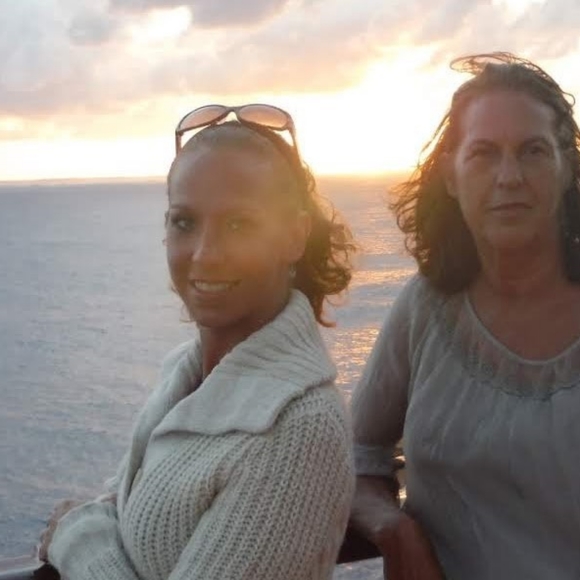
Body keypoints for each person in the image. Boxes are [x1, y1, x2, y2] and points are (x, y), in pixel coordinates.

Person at [38, 104, 357, 580]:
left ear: (294, 236)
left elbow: (99, 526)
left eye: (239, 224)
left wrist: (79, 539)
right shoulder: (186, 372)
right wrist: (97, 522)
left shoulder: (298, 430)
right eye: (184, 222)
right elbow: (123, 506)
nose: (206, 255)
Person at [349, 52, 580, 580]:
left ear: (566, 167)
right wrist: (393, 528)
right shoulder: (426, 308)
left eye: (532, 151)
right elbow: (359, 450)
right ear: (451, 176)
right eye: (483, 153)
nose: (509, 177)